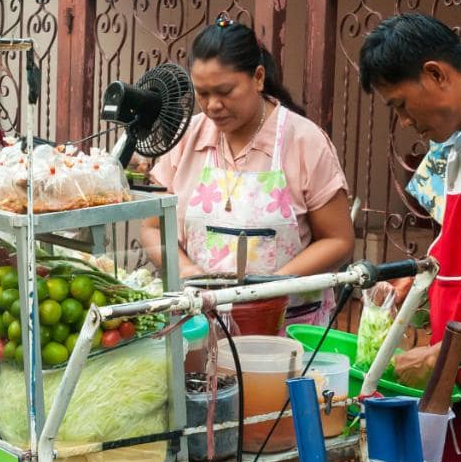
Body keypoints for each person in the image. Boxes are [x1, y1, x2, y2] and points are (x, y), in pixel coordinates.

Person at [359, 13, 461, 462]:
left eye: (401, 104)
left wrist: (436, 358)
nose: (406, 121)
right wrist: (423, 286)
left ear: (435, 74)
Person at [140, 17, 355, 325]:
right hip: (202, 323)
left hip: (285, 325)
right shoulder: (187, 138)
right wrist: (188, 272)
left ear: (258, 77)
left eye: (225, 91)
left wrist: (271, 287)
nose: (213, 105)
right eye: (202, 93)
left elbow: (338, 240)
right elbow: (152, 228)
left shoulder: (303, 140)